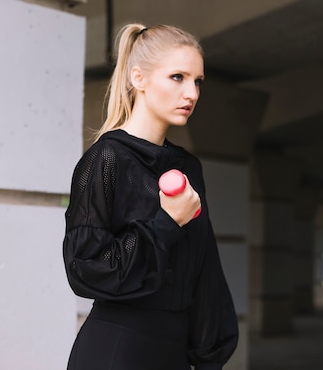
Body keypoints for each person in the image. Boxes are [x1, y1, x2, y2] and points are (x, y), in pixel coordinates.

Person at [63, 23, 239, 370]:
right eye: (178, 77)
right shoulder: (106, 160)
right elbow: (87, 269)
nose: (191, 93)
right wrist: (166, 222)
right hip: (118, 349)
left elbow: (205, 273)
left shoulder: (188, 166)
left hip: (172, 352)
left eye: (197, 81)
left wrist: (209, 358)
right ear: (139, 78)